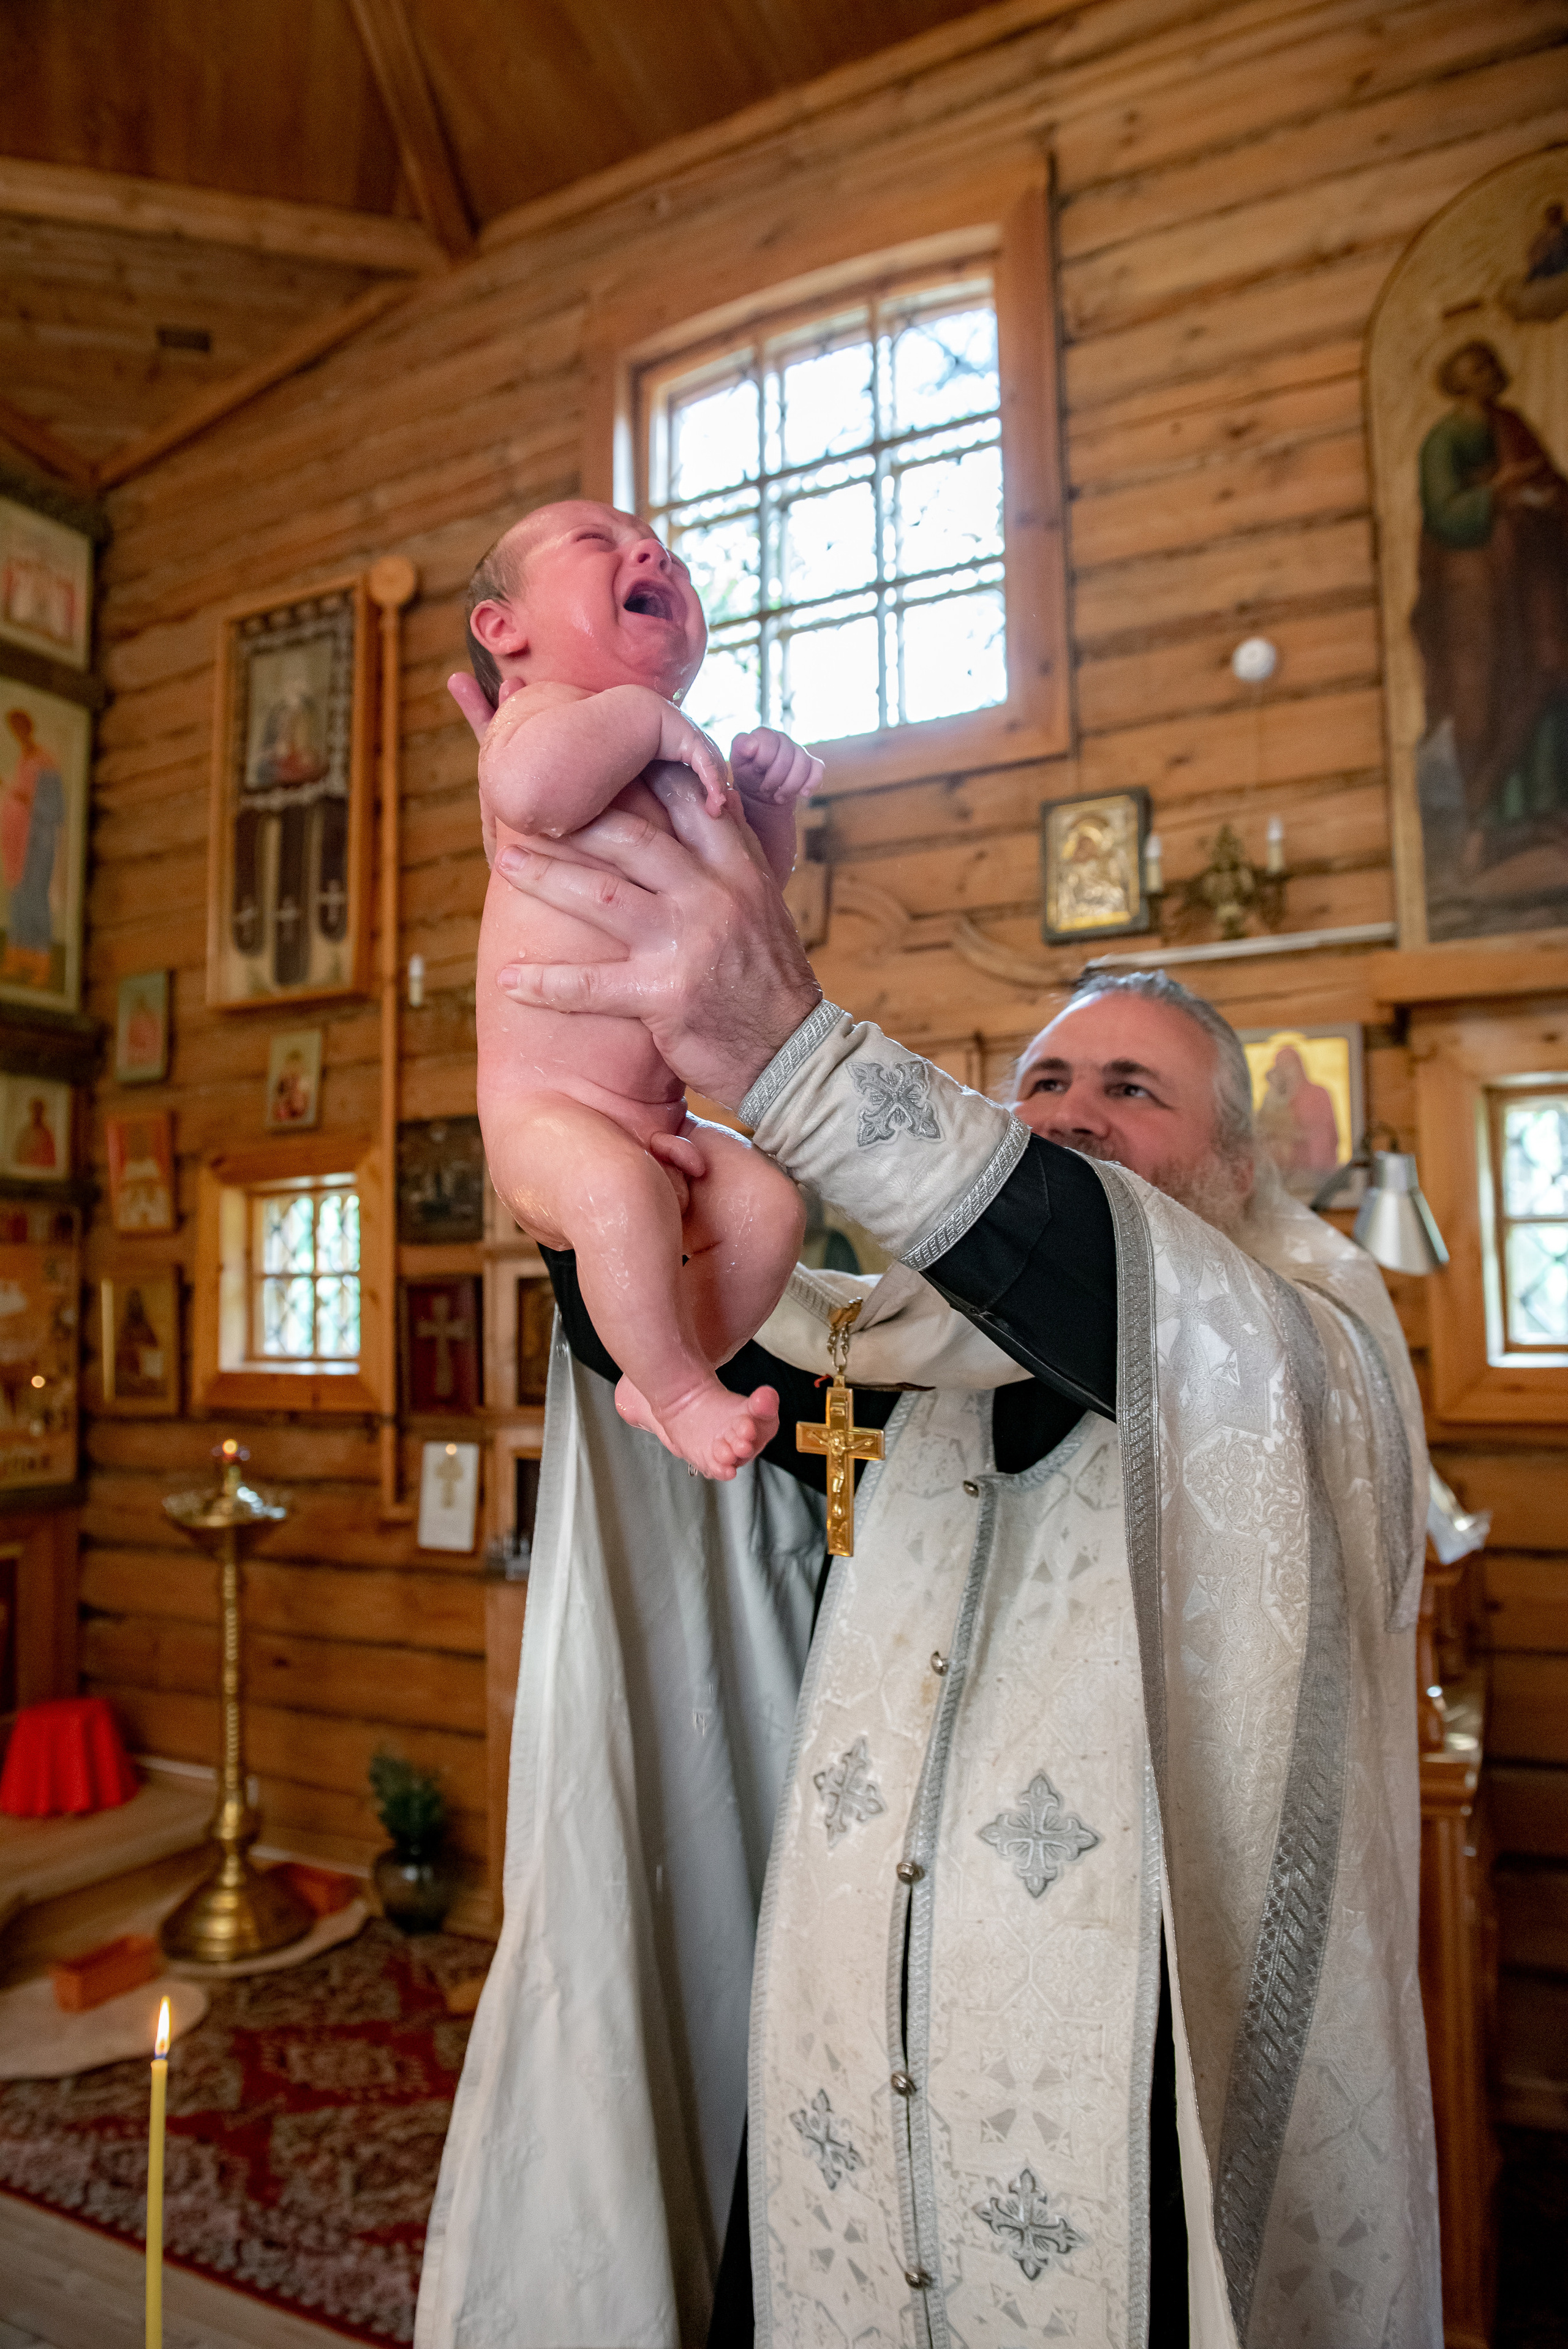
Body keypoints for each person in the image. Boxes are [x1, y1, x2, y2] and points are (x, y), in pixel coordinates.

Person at [417, 763, 1439, 2349]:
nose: (1075, 1111)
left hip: (1124, 2097)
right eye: (1043, 1084)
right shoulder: (900, 1343)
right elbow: (691, 1361)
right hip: (836, 2061)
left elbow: (1110, 1286)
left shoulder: (1300, 1346)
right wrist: (601, 1144)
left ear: (1238, 1170)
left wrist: (803, 1058)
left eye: (1133, 1088)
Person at [453, 498, 820, 1478]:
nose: (654, 553)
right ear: (505, 631)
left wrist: (772, 811)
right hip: (548, 1114)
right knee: (616, 1192)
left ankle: (664, 1363)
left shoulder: (663, 746)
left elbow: (749, 896)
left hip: (664, 1114)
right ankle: (683, 1389)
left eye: (668, 554)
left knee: (768, 1210)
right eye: (596, 544)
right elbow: (533, 795)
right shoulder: (536, 722)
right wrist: (649, 717)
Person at [1411, 339, 1568, 874]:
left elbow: (1547, 483)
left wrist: (1544, 501)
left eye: (1489, 362)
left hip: (1529, 580)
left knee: (1548, 675)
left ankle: (1545, 807)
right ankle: (1487, 818)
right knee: (1488, 696)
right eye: (1476, 366)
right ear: (1457, 381)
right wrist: (1497, 495)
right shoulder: (1444, 439)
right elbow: (1444, 513)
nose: (1490, 371)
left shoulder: (1513, 424)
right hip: (1476, 594)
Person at [1, 708, 64, 990]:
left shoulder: (45, 761)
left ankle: (41, 966)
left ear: (29, 727)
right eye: (13, 728)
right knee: (20, 901)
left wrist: (21, 796)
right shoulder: (23, 758)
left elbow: (54, 808)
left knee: (36, 900)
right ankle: (17, 961)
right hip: (19, 843)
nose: (18, 732)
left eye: (20, 726)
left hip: (38, 844)